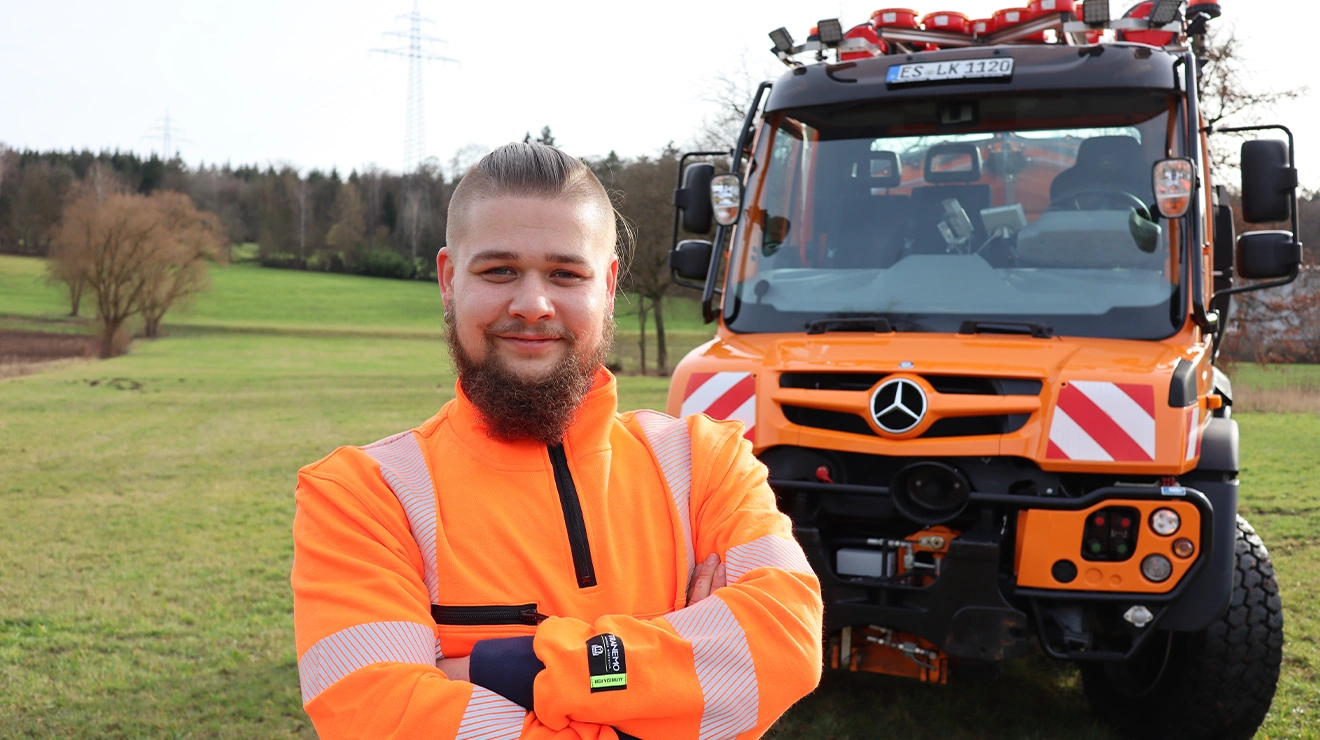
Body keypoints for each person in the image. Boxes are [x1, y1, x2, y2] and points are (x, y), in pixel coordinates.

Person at [291, 142, 824, 739]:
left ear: (609, 286)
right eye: (499, 271)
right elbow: (375, 713)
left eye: (566, 274)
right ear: (447, 279)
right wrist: (673, 670)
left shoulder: (709, 461)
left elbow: (785, 640)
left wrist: (498, 669)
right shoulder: (361, 496)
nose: (533, 304)